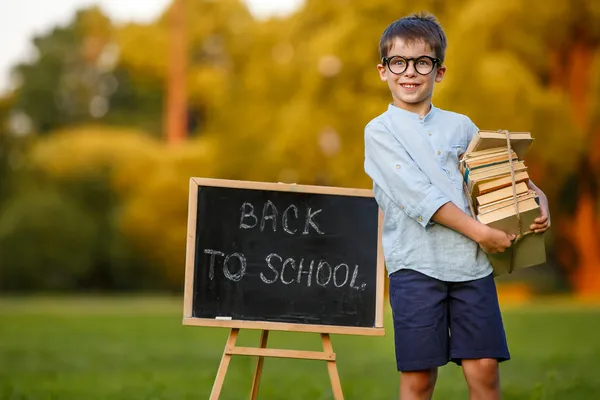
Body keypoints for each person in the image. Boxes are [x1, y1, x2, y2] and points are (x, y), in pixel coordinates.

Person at [363, 12, 550, 400]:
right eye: (399, 62)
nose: (409, 73)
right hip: (415, 268)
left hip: (471, 267)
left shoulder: (461, 126)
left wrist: (535, 196)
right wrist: (482, 233)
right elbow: (422, 197)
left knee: (484, 373)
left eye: (422, 63)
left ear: (439, 71)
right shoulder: (379, 131)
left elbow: (496, 172)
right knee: (418, 380)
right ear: (384, 70)